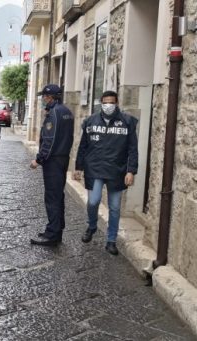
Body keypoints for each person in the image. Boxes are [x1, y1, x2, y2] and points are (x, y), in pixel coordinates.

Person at [74, 91, 138, 255]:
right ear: (101, 103)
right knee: (93, 201)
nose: (108, 105)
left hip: (117, 170)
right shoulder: (90, 121)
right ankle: (92, 225)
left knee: (115, 208)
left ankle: (111, 240)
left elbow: (133, 149)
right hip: (94, 169)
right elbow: (83, 146)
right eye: (105, 102)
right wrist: (78, 168)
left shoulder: (127, 122)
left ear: (117, 103)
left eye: (111, 102)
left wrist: (131, 171)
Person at [29, 84, 75, 246]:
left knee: (52, 197)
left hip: (53, 161)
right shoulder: (67, 112)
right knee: (58, 195)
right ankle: (56, 228)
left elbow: (50, 139)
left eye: (44, 97)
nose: (43, 100)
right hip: (62, 158)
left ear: (50, 97)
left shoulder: (54, 113)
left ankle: (52, 234)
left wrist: (39, 159)